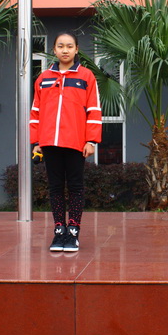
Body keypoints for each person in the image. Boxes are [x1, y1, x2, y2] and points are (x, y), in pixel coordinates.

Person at [30, 31, 102, 252]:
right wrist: (36, 141)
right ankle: (59, 231)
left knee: (76, 187)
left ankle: (73, 232)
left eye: (69, 46)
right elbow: (35, 112)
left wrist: (91, 140)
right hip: (49, 142)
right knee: (55, 188)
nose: (65, 50)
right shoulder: (43, 78)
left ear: (76, 49)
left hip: (76, 142)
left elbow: (94, 110)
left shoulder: (86, 76)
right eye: (60, 46)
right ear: (54, 50)